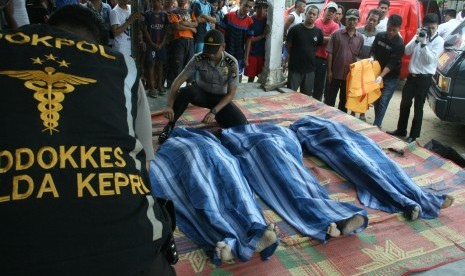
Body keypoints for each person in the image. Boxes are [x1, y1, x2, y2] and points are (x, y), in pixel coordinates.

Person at [0, 5, 175, 274]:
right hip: (132, 250)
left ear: (46, 24)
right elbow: (145, 164)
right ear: (99, 43)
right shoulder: (121, 67)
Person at [150, 128, 280, 264]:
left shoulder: (186, 141)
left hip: (215, 156)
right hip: (194, 156)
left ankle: (248, 233)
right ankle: (239, 237)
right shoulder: (173, 145)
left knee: (231, 186)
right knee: (210, 192)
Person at [158, 29, 248, 143]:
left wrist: (213, 112)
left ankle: (220, 121)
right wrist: (169, 105)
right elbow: (178, 81)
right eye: (208, 50)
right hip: (201, 94)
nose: (210, 55)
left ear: (223, 47)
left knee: (242, 124)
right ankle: (169, 126)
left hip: (220, 98)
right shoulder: (198, 58)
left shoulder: (231, 63)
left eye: (214, 51)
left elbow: (230, 94)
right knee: (185, 92)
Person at [387, 13, 444, 143]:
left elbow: (430, 60)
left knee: (418, 107)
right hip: (412, 77)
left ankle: (413, 135)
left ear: (437, 27)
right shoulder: (420, 35)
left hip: (424, 78)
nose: (429, 30)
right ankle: (401, 129)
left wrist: (424, 45)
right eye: (427, 27)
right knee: (405, 104)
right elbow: (406, 51)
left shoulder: (439, 41)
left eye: (433, 28)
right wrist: (417, 40)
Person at [325, 9, 364, 113]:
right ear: (345, 20)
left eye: (354, 19)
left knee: (344, 101)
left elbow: (358, 57)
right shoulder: (336, 34)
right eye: (349, 19)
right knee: (329, 100)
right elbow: (330, 53)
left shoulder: (360, 38)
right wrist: (329, 71)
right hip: (335, 73)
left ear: (358, 21)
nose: (351, 22)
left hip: (349, 76)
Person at [371, 14, 404, 128]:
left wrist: (381, 76)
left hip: (391, 76)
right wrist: (372, 57)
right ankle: (377, 122)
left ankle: (377, 125)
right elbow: (373, 50)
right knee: (377, 99)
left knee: (384, 100)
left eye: (394, 30)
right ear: (387, 25)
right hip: (377, 71)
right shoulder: (380, 36)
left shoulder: (399, 44)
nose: (390, 32)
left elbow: (392, 63)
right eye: (389, 29)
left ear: (399, 29)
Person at [286, 5, 323, 96]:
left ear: (317, 17)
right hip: (295, 68)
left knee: (306, 97)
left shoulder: (318, 32)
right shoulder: (295, 29)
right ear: (305, 13)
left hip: (309, 70)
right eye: (310, 13)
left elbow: (317, 47)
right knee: (290, 95)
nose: (311, 15)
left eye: (314, 14)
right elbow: (288, 46)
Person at [352, 8, 380, 121]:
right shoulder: (357, 31)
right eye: (370, 19)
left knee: (366, 91)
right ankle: (353, 112)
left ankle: (362, 113)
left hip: (369, 66)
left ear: (378, 22)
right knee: (355, 89)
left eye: (374, 20)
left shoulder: (379, 35)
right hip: (357, 63)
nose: (371, 22)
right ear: (366, 18)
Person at [219, 0, 254, 82]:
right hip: (226, 51)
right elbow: (221, 34)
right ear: (240, 4)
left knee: (237, 76)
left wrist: (246, 58)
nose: (247, 9)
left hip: (239, 53)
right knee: (224, 75)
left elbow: (249, 41)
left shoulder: (250, 22)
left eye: (250, 7)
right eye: (246, 5)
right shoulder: (228, 16)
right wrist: (221, 50)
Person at [313, 1, 339, 101]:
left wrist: (317, 38)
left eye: (333, 12)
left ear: (335, 14)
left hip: (323, 59)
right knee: (308, 83)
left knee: (319, 86)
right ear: (324, 11)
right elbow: (310, 36)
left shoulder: (335, 26)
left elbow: (331, 40)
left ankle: (316, 105)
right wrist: (324, 39)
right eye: (329, 10)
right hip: (311, 56)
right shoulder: (316, 21)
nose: (331, 13)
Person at [143, 0, 169, 98]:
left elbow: (166, 29)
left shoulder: (164, 14)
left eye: (158, 1)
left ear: (161, 2)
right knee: (151, 64)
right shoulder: (148, 14)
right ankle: (151, 88)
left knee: (160, 64)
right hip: (151, 45)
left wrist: (162, 43)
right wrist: (151, 43)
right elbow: (145, 30)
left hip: (161, 45)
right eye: (154, 1)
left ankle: (159, 86)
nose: (156, 3)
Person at [168, 0, 197, 82]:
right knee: (178, 63)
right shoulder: (174, 12)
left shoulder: (190, 11)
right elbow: (177, 27)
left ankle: (189, 84)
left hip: (190, 40)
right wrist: (191, 28)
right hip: (179, 40)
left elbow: (196, 24)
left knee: (190, 62)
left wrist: (182, 23)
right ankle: (177, 86)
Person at [244, 0, 268, 83]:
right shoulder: (251, 20)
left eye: (264, 9)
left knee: (261, 77)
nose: (261, 11)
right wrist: (263, 35)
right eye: (259, 8)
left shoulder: (268, 20)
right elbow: (250, 40)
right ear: (256, 8)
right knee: (251, 77)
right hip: (252, 53)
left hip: (263, 53)